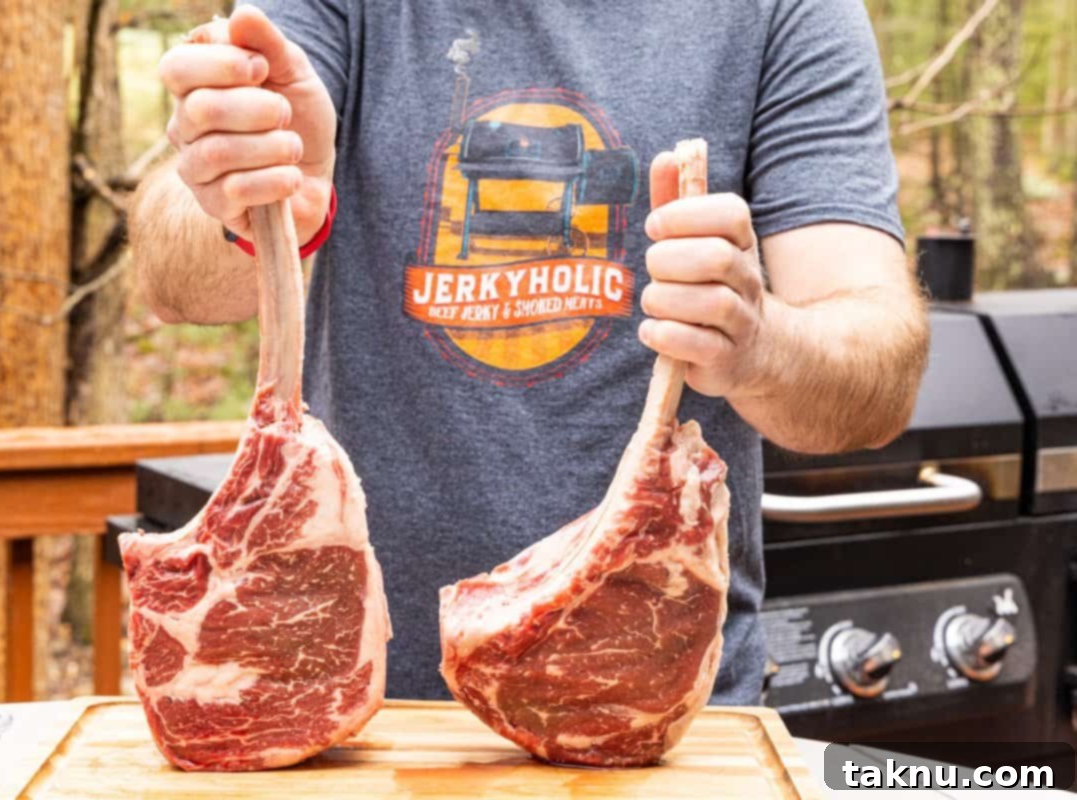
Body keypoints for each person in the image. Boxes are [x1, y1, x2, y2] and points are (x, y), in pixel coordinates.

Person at [130, 1, 929, 703]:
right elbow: (175, 278)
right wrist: (255, 198)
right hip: (352, 706)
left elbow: (874, 374)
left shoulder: (785, 12)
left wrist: (758, 345)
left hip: (642, 713)